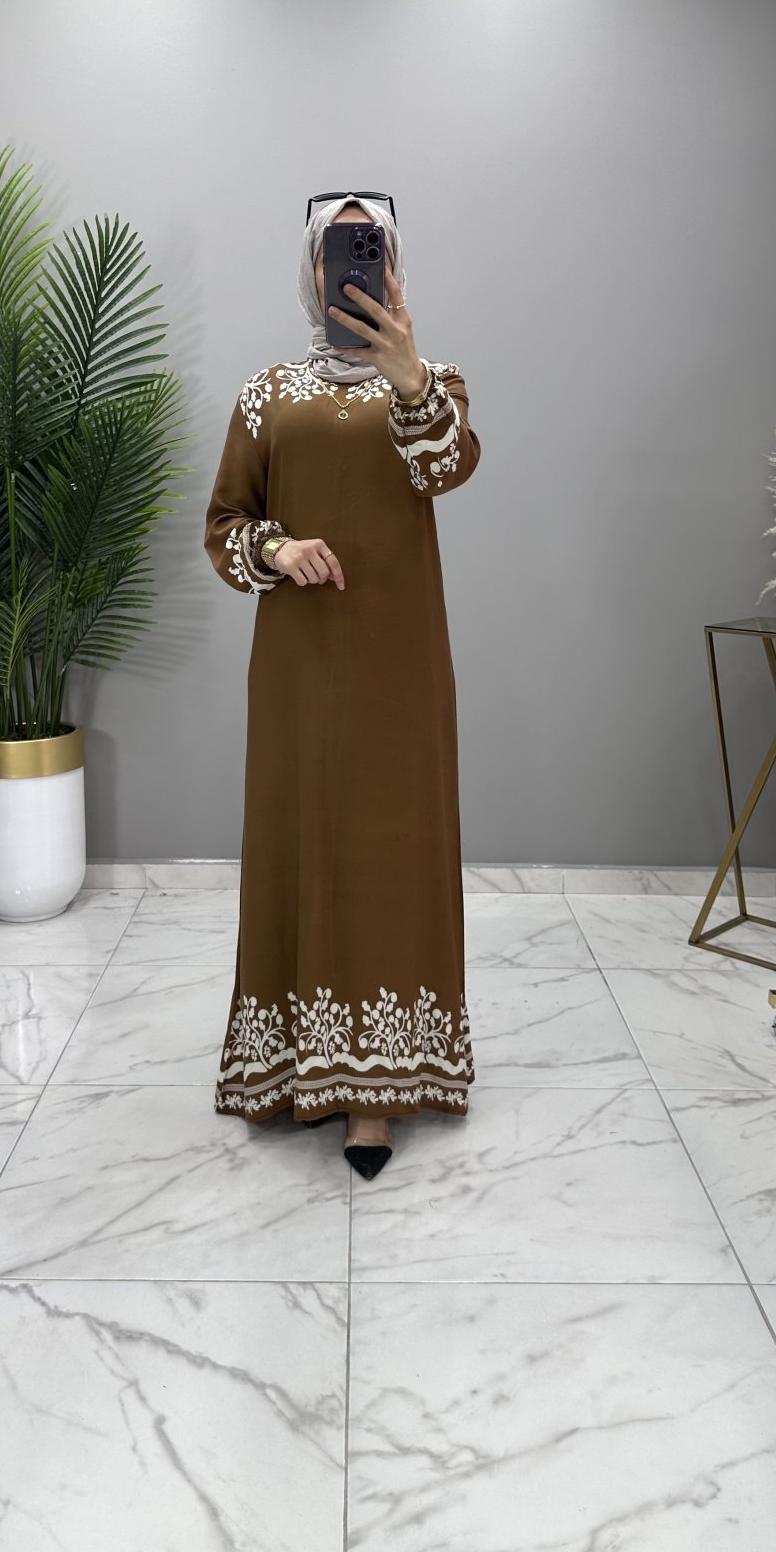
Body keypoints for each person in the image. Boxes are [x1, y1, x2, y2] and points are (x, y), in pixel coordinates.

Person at [203, 192, 481, 1178]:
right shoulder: (265, 394)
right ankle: (294, 1068)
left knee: (389, 851)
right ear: (312, 270)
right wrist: (278, 549)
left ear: (393, 268)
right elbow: (224, 526)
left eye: (368, 250)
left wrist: (410, 378)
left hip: (400, 664)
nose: (350, 268)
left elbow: (446, 467)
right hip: (300, 668)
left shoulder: (432, 382)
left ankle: (377, 1095)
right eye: (337, 250)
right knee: (303, 839)